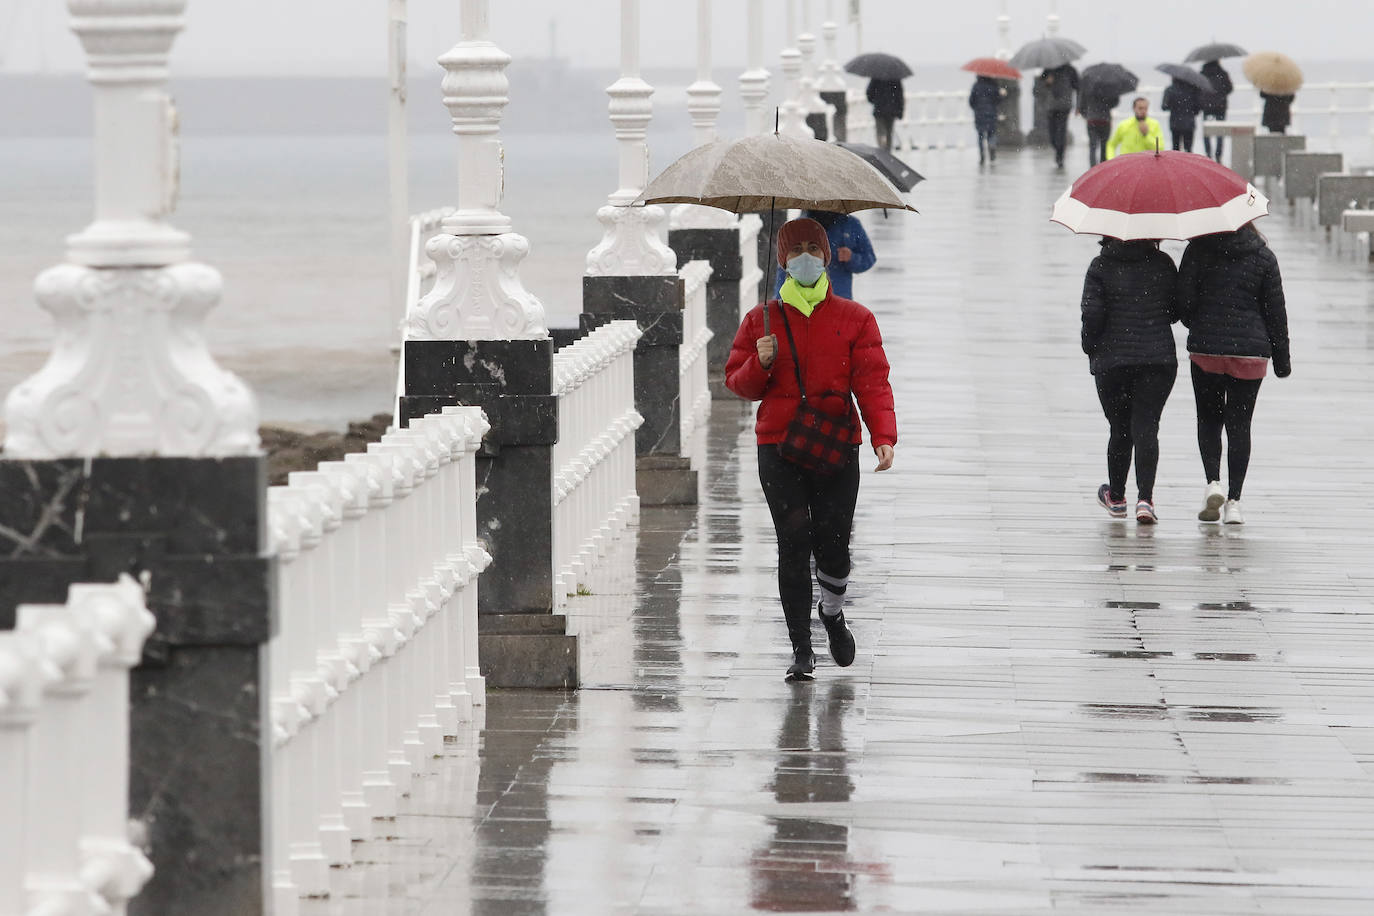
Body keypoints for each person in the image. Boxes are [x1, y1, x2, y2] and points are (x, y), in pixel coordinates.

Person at [724, 217, 897, 682]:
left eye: (812, 247)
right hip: (778, 446)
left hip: (838, 445)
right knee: (793, 543)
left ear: (824, 255)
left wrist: (883, 435)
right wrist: (760, 364)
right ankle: (802, 649)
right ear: (781, 259)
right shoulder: (760, 320)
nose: (805, 255)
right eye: (795, 248)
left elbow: (873, 381)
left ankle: (833, 612)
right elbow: (737, 383)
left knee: (834, 544)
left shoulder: (855, 318)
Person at [1177, 223, 1291, 525]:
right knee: (1240, 425)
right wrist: (1282, 360)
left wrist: (1198, 321)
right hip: (1250, 352)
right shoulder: (1264, 257)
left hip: (1207, 349)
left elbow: (1183, 303)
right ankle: (1235, 502)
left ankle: (1213, 482)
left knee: (1209, 418)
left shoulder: (1198, 250)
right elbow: (1275, 313)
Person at [1080, 238, 1180, 523]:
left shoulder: (1100, 266)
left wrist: (1090, 346)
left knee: (1120, 428)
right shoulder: (1163, 264)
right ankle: (1145, 500)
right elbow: (1175, 312)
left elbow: (1092, 314)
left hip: (1113, 361)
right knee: (1147, 427)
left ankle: (1117, 496)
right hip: (1158, 359)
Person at [772, 210, 875, 301]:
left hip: (839, 297)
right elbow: (784, 268)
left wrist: (852, 258)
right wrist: (779, 302)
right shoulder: (798, 228)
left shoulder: (850, 225)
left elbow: (869, 258)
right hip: (800, 302)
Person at [1044, 63, 1079, 169]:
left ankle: (1060, 156)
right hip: (1052, 106)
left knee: (1061, 131)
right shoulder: (1049, 68)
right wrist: (1048, 81)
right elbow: (1043, 81)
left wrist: (1078, 106)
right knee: (1053, 132)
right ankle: (1058, 150)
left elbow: (1077, 86)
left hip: (1064, 106)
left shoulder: (1070, 70)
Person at [1200, 60, 1234, 161]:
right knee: (1220, 131)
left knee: (1206, 131)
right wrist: (1220, 94)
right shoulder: (1223, 73)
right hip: (1220, 106)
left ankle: (1208, 154)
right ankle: (1218, 155)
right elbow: (1229, 88)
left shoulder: (1203, 74)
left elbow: (1198, 88)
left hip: (1207, 107)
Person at [1079, 87, 1120, 167]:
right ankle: (1103, 166)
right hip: (1105, 120)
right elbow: (1115, 102)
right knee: (1104, 145)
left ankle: (1092, 167)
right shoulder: (1108, 88)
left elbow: (1082, 105)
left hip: (1092, 120)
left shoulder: (1088, 87)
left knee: (1092, 146)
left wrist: (1086, 115)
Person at [1161, 77, 1203, 152]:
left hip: (1175, 123)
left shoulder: (1170, 89)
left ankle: (1175, 163)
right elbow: (1198, 108)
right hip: (1189, 123)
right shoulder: (1193, 89)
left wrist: (1174, 105)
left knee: (1175, 149)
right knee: (1188, 150)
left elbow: (1164, 106)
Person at [968, 75, 1002, 165]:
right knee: (991, 134)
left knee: (980, 136)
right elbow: (998, 100)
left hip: (979, 114)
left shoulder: (976, 85)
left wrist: (977, 108)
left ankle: (982, 156)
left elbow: (971, 101)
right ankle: (992, 148)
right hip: (991, 113)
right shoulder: (993, 85)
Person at [866, 78, 905, 152]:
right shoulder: (895, 78)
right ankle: (887, 151)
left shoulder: (876, 77)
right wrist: (900, 111)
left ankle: (882, 147)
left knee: (880, 131)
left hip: (879, 109)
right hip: (891, 110)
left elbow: (869, 93)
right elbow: (899, 96)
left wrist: (875, 101)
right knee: (889, 132)